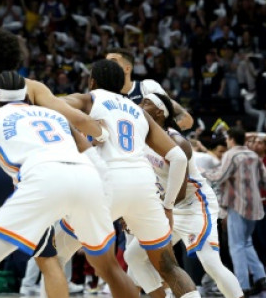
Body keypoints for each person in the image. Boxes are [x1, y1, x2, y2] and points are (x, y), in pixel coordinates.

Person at [0, 28, 105, 298]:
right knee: (48, 260)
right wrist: (101, 130)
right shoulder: (31, 87)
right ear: (16, 58)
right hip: (29, 175)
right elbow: (74, 118)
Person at [0, 71, 139, 298]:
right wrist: (106, 199)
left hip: (43, 178)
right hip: (87, 178)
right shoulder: (54, 116)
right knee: (109, 268)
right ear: (27, 98)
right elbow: (94, 159)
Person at [59, 60, 198, 298]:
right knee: (168, 266)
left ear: (92, 81)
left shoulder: (90, 99)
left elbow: (53, 105)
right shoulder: (139, 111)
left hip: (108, 182)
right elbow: (178, 158)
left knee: (54, 256)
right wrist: (168, 206)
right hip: (144, 186)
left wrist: (89, 127)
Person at [123, 93, 244, 298]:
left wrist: (158, 212)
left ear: (160, 112)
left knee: (211, 263)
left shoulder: (178, 142)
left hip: (194, 204)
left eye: (146, 103)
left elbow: (179, 189)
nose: (140, 105)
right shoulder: (140, 139)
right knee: (133, 255)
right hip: (168, 207)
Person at [205, 127, 266, 296]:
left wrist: (202, 173)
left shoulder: (231, 155)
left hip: (237, 206)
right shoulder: (253, 156)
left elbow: (220, 175)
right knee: (246, 243)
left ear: (231, 139)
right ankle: (261, 279)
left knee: (237, 246)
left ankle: (243, 286)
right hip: (255, 206)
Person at [106, 48, 194, 130]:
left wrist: (159, 135)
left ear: (127, 68)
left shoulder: (147, 87)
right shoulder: (101, 95)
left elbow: (186, 118)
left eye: (112, 63)